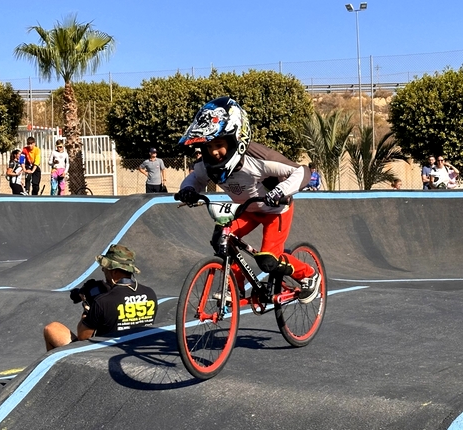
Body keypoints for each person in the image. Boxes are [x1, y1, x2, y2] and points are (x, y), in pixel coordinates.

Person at [173, 97, 319, 304]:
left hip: (276, 212)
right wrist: (187, 190)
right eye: (208, 146)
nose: (214, 152)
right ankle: (235, 286)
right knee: (222, 240)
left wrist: (280, 191)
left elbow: (302, 172)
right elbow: (195, 178)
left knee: (268, 261)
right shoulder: (207, 164)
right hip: (246, 210)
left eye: (219, 144)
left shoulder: (259, 158)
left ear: (236, 139)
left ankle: (309, 275)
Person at [43, 244, 158, 351]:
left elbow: (83, 337)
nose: (103, 270)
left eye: (105, 267)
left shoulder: (103, 301)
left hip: (104, 354)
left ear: (114, 272)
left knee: (51, 328)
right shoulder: (150, 293)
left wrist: (87, 311)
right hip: (137, 350)